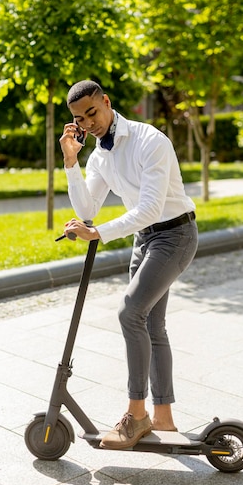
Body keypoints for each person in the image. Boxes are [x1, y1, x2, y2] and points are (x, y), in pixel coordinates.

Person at [59, 80, 198, 450]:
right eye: (79, 119)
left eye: (93, 112)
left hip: (176, 235)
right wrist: (71, 162)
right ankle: (163, 417)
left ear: (106, 102)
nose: (89, 123)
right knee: (152, 322)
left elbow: (151, 208)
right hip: (146, 239)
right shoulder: (99, 156)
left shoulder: (149, 140)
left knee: (130, 313)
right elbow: (87, 209)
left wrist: (98, 233)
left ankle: (136, 415)